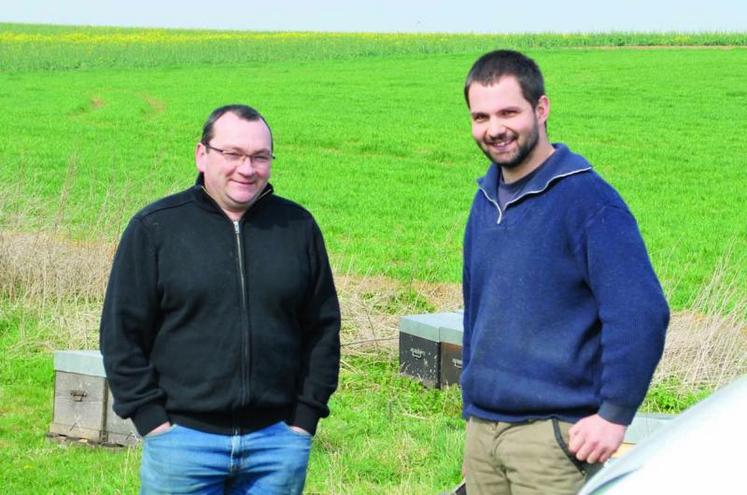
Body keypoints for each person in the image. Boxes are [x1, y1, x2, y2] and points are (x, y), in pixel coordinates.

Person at [100, 104, 341, 494]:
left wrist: (304, 418)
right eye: (233, 154)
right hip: (182, 444)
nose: (247, 169)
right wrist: (153, 422)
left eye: (260, 157)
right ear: (202, 154)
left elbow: (323, 329)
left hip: (276, 445)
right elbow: (120, 334)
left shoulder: (297, 228)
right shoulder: (155, 229)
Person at [460, 50, 670, 495]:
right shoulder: (485, 200)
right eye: (481, 116)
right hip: (483, 434)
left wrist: (614, 415)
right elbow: (477, 311)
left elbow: (641, 313)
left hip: (552, 442)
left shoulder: (589, 202)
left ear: (541, 109)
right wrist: (473, 410)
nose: (494, 129)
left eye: (508, 112)